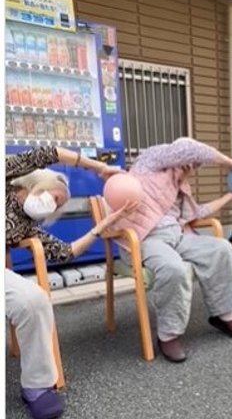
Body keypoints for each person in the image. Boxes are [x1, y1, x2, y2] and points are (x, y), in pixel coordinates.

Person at [6, 146, 137, 419]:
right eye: (55, 198)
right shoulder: (7, 176)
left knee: (34, 300)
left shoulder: (28, 227)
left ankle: (37, 386)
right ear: (40, 184)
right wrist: (99, 167)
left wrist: (104, 225)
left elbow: (66, 252)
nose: (53, 206)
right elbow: (48, 153)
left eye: (58, 206)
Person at [114, 136, 232, 363]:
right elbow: (188, 148)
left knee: (222, 249)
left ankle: (224, 315)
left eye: (195, 165)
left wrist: (231, 197)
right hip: (146, 239)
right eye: (189, 161)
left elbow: (197, 213)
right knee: (173, 269)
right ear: (176, 156)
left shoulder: (181, 187)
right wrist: (229, 163)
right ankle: (168, 335)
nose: (190, 166)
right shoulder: (149, 163)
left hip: (178, 235)